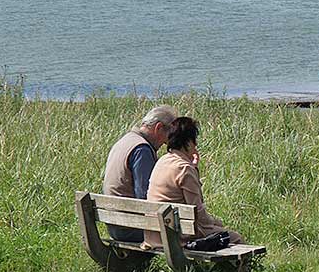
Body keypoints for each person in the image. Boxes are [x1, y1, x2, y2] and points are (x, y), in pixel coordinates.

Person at [145, 117, 244, 249]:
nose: (196, 144)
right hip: (177, 237)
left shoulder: (162, 161)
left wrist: (193, 168)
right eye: (194, 140)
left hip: (154, 234)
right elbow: (198, 212)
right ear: (188, 142)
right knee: (235, 238)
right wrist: (216, 223)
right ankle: (239, 270)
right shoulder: (184, 168)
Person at [102, 105, 179, 242]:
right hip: (131, 226)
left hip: (114, 222)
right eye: (169, 136)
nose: (168, 143)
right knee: (190, 228)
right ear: (159, 128)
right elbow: (146, 197)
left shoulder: (125, 140)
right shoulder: (141, 150)